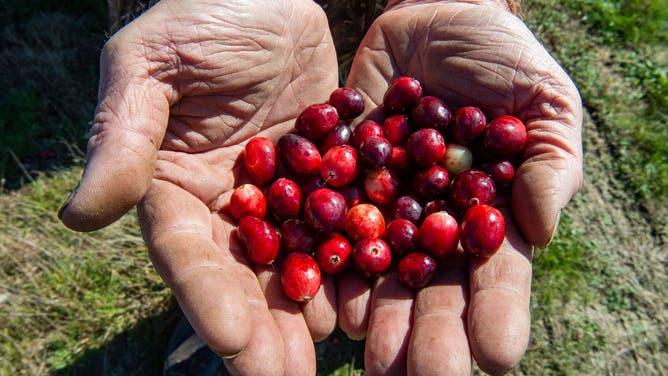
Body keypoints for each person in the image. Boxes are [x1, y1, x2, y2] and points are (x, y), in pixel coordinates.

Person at [58, 0, 583, 374]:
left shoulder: (399, 171)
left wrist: (455, 4)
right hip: (259, 56)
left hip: (392, 42)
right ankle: (216, 331)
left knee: (357, 298)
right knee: (227, 269)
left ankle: (321, 331)